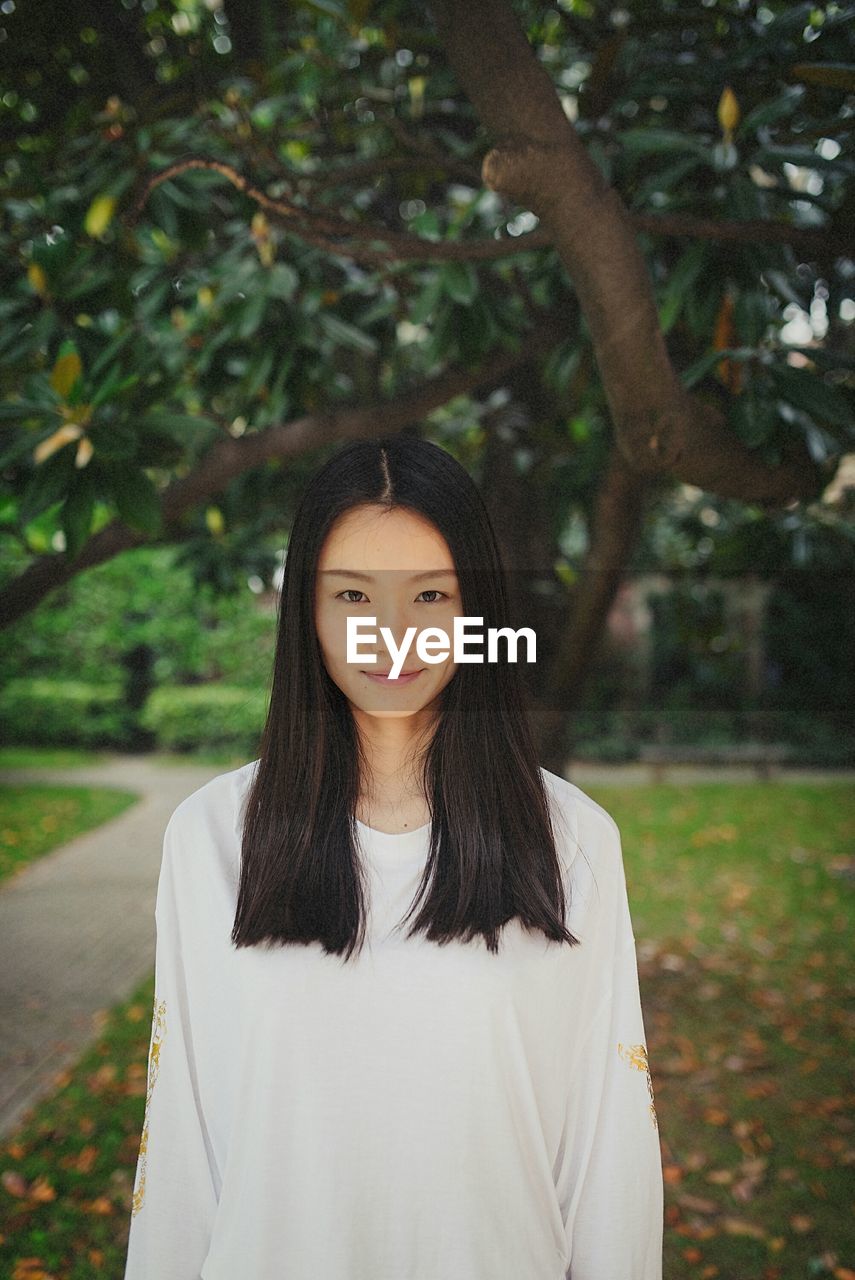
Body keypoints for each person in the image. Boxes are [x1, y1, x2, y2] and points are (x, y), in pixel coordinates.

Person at [123, 434, 664, 1280]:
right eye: (351, 594)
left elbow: (609, 1154)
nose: (392, 633)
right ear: (306, 609)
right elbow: (183, 1144)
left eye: (430, 594)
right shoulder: (211, 839)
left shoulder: (573, 841)